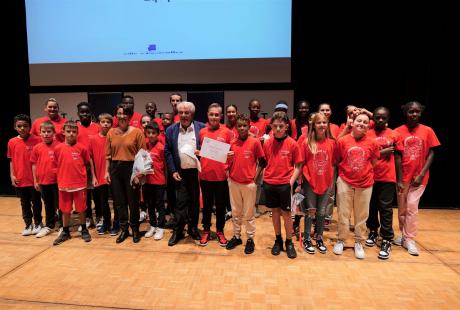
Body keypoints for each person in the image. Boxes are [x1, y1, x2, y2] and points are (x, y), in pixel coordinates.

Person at [394, 101, 440, 256]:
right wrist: (399, 179)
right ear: (405, 113)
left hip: (419, 177)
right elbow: (397, 156)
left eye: (417, 112)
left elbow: (432, 153)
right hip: (403, 176)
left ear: (420, 113)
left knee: (412, 207)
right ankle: (402, 234)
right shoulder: (398, 131)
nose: (414, 114)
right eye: (411, 111)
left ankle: (410, 238)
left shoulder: (428, 130)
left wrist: (421, 174)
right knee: (402, 208)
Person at [333, 113, 380, 259]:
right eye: (359, 120)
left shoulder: (372, 143)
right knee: (343, 214)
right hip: (345, 182)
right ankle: (341, 239)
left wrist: (362, 172)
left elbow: (373, 162)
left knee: (362, 216)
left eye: (365, 122)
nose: (361, 124)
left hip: (365, 184)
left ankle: (359, 242)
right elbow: (337, 160)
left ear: (368, 126)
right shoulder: (342, 141)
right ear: (352, 123)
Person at [164, 101, 206, 246]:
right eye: (181, 112)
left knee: (195, 203)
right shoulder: (171, 130)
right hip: (180, 173)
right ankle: (178, 231)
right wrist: (173, 170)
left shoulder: (202, 128)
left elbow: (208, 149)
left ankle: (193, 229)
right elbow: (168, 151)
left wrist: (202, 153)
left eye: (186, 112)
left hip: (196, 172)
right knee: (180, 204)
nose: (183, 115)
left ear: (192, 114)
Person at [262, 111, 302, 259]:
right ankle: (278, 240)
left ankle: (289, 241)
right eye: (275, 126)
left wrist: (290, 182)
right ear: (271, 126)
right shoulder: (267, 143)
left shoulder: (292, 144)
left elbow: (298, 166)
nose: (278, 129)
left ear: (286, 127)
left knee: (287, 214)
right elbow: (264, 162)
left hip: (285, 185)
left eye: (281, 126)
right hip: (269, 183)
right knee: (275, 213)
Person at [105, 103, 146, 243]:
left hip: (132, 168)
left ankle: (135, 229)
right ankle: (124, 230)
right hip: (115, 169)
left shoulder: (137, 132)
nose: (122, 116)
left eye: (125, 113)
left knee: (133, 201)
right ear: (116, 116)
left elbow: (143, 155)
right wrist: (107, 172)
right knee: (120, 202)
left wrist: (139, 175)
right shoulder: (111, 132)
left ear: (130, 116)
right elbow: (108, 155)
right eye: (119, 113)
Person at [365, 107, 402, 259]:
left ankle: (386, 238)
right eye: (378, 117)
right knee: (371, 206)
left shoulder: (394, 134)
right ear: (373, 118)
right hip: (369, 176)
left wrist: (399, 179)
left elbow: (398, 157)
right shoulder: (367, 133)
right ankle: (373, 231)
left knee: (385, 208)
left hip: (387, 177)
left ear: (388, 119)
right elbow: (365, 154)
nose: (380, 120)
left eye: (383, 118)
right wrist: (382, 152)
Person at [297, 113, 336, 254]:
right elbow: (300, 165)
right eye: (318, 122)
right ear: (313, 125)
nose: (322, 125)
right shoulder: (306, 143)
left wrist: (330, 181)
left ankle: (319, 237)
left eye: (324, 122)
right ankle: (307, 238)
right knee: (310, 212)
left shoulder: (332, 143)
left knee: (322, 212)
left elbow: (333, 163)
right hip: (310, 183)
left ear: (327, 124)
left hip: (325, 183)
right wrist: (298, 183)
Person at [226, 114, 265, 254]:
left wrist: (255, 179)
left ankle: (250, 239)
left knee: (249, 214)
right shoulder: (232, 143)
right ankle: (237, 236)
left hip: (249, 184)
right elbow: (228, 161)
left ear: (249, 127)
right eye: (239, 126)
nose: (242, 128)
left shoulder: (254, 142)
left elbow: (262, 161)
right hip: (234, 182)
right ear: (235, 127)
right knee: (235, 212)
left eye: (244, 125)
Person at [53, 121, 96, 245]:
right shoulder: (58, 148)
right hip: (63, 184)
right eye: (68, 131)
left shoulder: (82, 148)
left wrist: (80, 175)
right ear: (63, 132)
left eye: (74, 132)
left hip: (79, 185)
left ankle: (83, 229)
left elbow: (87, 164)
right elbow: (56, 164)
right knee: (65, 210)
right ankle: (65, 231)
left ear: (77, 133)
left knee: (81, 209)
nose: (71, 134)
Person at [198, 103, 233, 247]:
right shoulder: (202, 132)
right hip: (205, 176)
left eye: (216, 115)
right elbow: (202, 151)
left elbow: (232, 151)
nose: (214, 117)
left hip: (221, 177)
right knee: (206, 206)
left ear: (221, 116)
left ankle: (220, 230)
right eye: (211, 114)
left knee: (220, 206)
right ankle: (206, 230)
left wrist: (231, 156)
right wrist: (198, 153)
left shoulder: (226, 132)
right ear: (208, 115)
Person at [8, 114, 42, 236]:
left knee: (36, 202)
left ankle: (38, 223)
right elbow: (11, 160)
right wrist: (12, 175)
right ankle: (28, 225)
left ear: (30, 127)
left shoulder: (38, 139)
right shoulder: (12, 142)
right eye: (19, 126)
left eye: (25, 126)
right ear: (15, 127)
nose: (22, 128)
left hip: (34, 179)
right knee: (24, 203)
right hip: (20, 179)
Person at [89, 113, 118, 235]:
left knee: (116, 201)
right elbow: (90, 158)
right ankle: (106, 223)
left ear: (112, 124)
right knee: (103, 201)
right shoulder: (93, 139)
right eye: (103, 122)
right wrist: (94, 176)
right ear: (99, 123)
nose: (105, 124)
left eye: (108, 122)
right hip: (100, 175)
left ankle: (116, 224)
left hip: (114, 174)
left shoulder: (115, 137)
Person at [31, 121, 60, 237]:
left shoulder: (59, 146)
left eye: (49, 132)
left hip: (57, 181)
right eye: (44, 132)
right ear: (40, 133)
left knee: (60, 205)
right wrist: (35, 180)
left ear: (54, 133)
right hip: (43, 181)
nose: (46, 134)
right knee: (48, 205)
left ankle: (63, 226)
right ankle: (49, 226)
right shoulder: (37, 148)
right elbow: (34, 165)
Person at [76, 102, 101, 229]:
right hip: (81, 166)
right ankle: (87, 217)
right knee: (85, 195)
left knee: (97, 193)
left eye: (87, 112)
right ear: (78, 113)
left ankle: (98, 217)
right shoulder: (75, 128)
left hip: (96, 166)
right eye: (82, 112)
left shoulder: (97, 127)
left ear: (91, 113)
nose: (84, 114)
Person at [144, 122, 167, 240]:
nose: (151, 135)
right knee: (150, 205)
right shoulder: (144, 146)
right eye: (149, 133)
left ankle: (161, 227)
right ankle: (152, 225)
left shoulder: (161, 147)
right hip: (147, 181)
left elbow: (166, 165)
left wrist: (166, 180)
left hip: (159, 181)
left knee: (160, 205)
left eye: (153, 133)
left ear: (158, 134)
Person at [161, 112, 176, 227]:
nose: (165, 121)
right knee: (168, 194)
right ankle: (170, 215)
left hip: (172, 168)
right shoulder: (158, 134)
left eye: (168, 119)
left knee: (174, 193)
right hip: (161, 169)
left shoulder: (174, 133)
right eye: (164, 119)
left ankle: (176, 216)